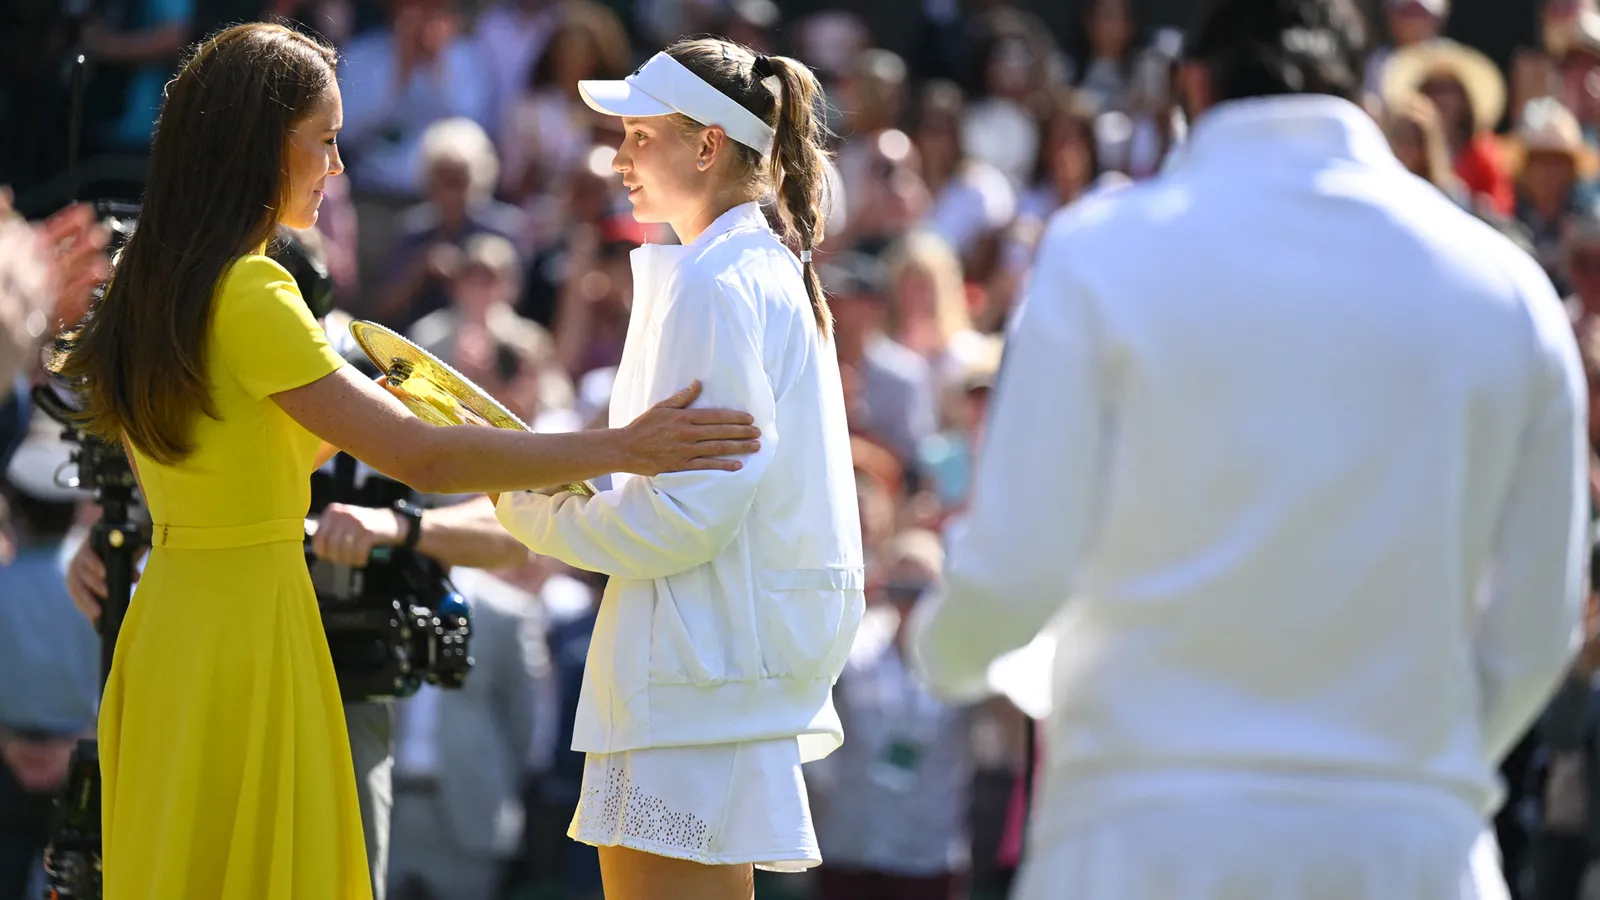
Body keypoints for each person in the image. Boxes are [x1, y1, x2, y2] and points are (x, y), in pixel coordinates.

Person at [49, 23, 761, 900]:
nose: (339, 166)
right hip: (248, 631)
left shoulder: (149, 286)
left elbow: (255, 451)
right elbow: (419, 456)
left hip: (167, 633)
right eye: (326, 139)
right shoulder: (254, 290)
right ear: (263, 142)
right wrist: (620, 447)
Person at [909, 0, 1587, 898]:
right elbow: (1539, 633)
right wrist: (1407, 771)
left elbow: (1013, 577)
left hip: (1140, 846)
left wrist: (942, 654)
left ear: (1194, 83)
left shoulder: (1098, 256)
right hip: (1408, 850)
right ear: (1360, 88)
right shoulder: (1508, 289)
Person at [491, 37, 864, 900]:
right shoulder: (741, 268)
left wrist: (524, 501)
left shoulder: (721, 279)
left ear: (707, 145)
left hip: (695, 680)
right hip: (705, 674)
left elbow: (687, 517)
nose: (617, 157)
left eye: (638, 135)